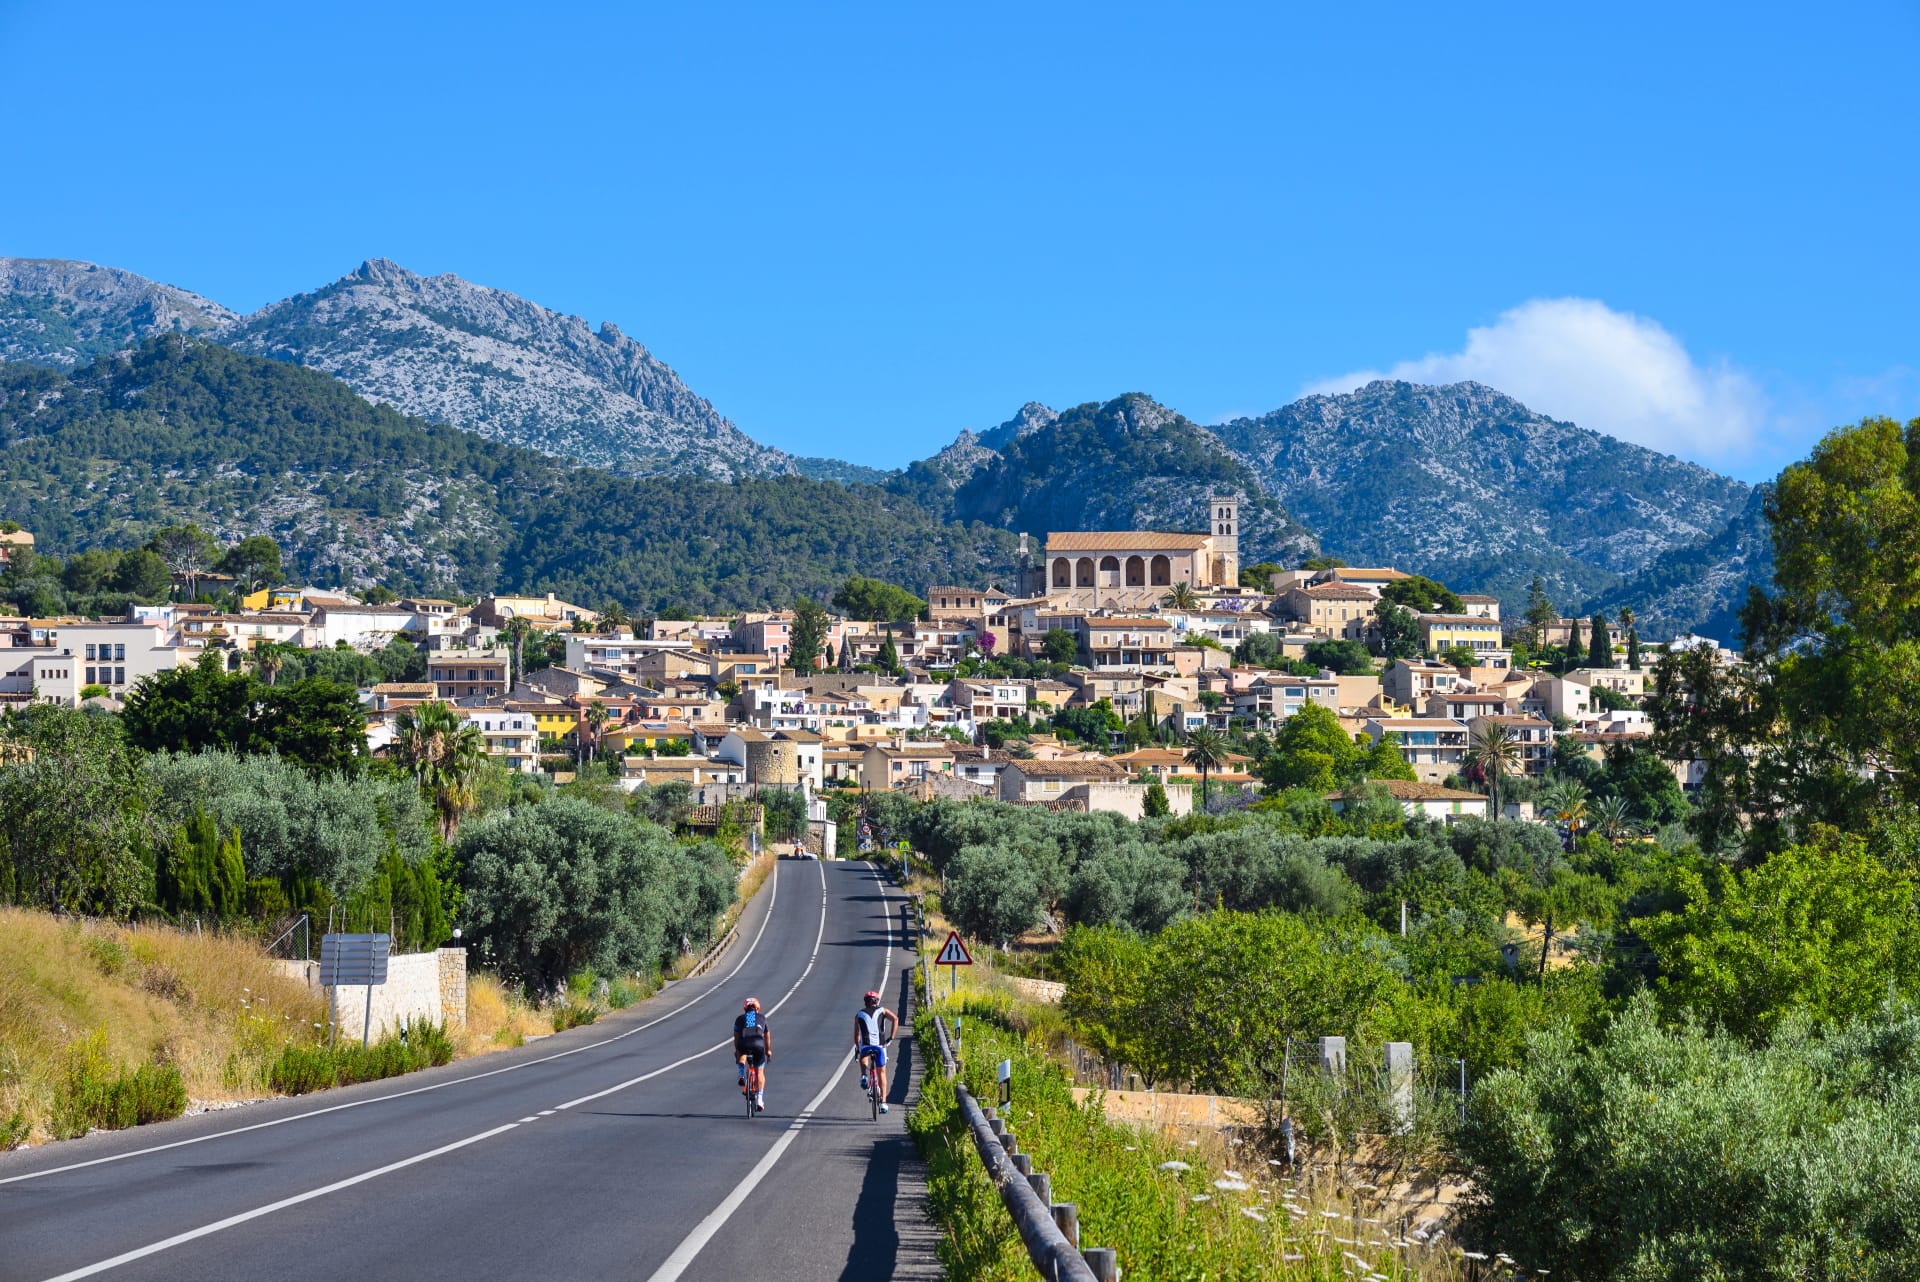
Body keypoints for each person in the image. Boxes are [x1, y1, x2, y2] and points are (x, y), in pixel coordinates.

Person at [852, 989, 898, 1113]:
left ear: (865, 1002)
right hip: (880, 1045)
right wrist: (892, 1037)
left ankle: (863, 1076)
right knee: (882, 1073)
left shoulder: (859, 1014)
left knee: (863, 1053)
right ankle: (883, 1103)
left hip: (866, 1046)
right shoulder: (882, 1010)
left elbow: (856, 1035)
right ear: (876, 1001)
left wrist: (858, 1046)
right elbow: (895, 1019)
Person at [734, 997, 770, 1112]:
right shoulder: (762, 1018)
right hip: (758, 1044)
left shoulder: (740, 1019)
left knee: (742, 1051)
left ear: (745, 1008)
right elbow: (767, 1036)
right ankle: (760, 1099)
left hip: (744, 1042)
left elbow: (736, 1037)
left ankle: (741, 1074)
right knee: (760, 1071)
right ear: (757, 1008)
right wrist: (768, 1051)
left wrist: (737, 1051)